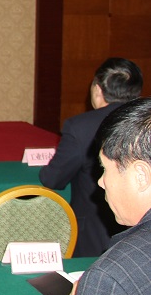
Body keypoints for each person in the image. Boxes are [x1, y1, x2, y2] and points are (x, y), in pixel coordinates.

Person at [64, 97, 151, 295]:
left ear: (141, 175)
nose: (100, 182)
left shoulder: (114, 277)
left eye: (104, 169)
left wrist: (103, 288)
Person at [40, 58, 143, 257]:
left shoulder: (80, 126)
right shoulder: (145, 124)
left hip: (93, 236)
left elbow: (52, 179)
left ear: (97, 89)